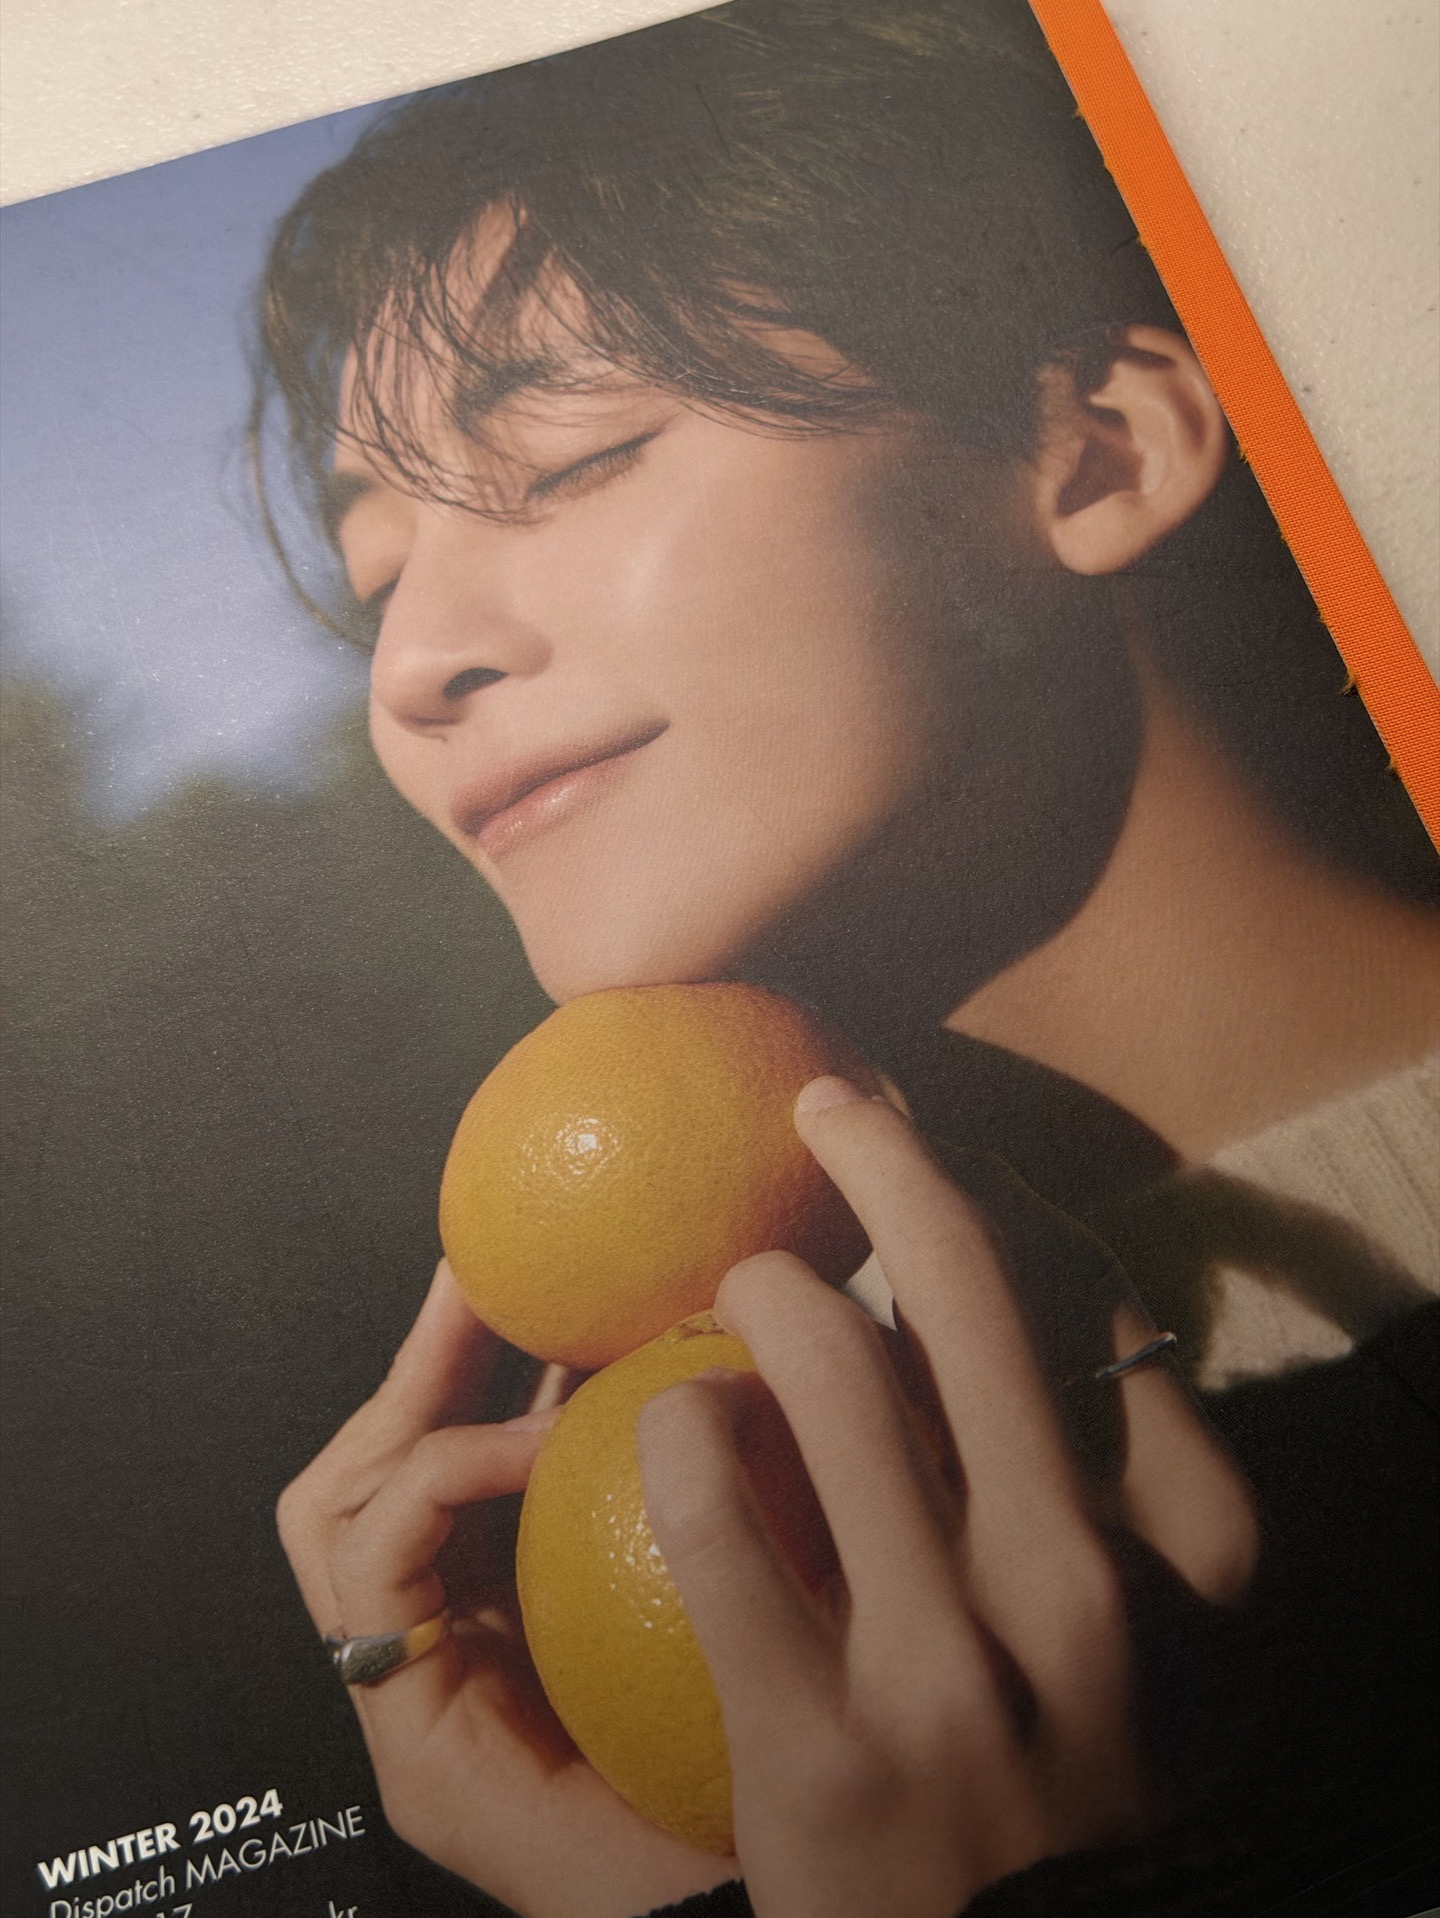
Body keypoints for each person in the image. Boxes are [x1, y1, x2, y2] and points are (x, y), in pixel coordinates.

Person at [257, 4, 1440, 1914]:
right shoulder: (778, 1499)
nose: (411, 668)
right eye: (380, 574)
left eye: (572, 457)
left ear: (1099, 451)